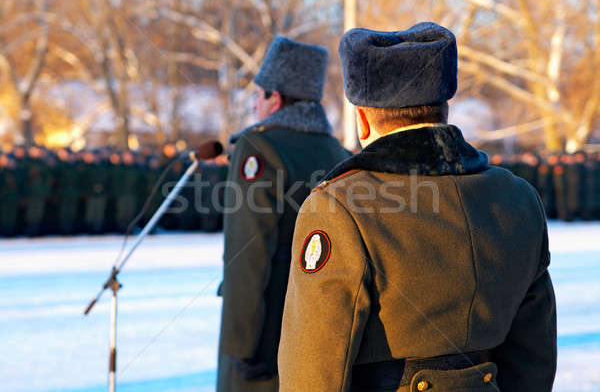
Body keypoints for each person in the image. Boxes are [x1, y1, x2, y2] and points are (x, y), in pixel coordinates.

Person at [278, 23, 557, 392]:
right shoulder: (519, 196)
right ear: (442, 108)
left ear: (362, 118)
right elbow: (534, 355)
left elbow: (312, 371)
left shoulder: (340, 206)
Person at [217, 36, 350, 392]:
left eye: (257, 97)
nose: (255, 108)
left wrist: (241, 346)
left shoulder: (259, 146)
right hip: (320, 337)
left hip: (265, 336)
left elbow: (248, 255)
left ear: (274, 99)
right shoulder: (339, 153)